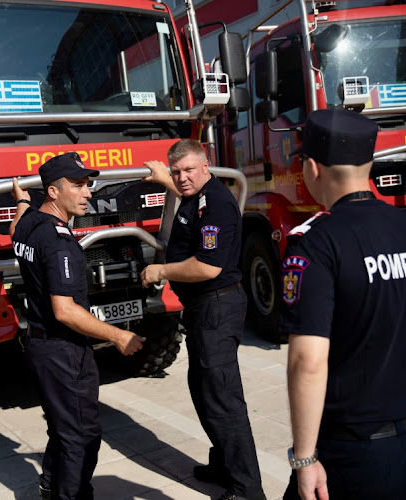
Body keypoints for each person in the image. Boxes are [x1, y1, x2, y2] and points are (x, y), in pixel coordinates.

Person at [279, 109, 406, 500]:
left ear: (312, 168)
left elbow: (308, 362)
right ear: (367, 164)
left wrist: (304, 460)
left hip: (358, 456)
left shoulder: (317, 244)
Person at [9, 152, 145, 500]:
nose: (88, 193)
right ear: (53, 192)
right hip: (63, 351)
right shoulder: (58, 242)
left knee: (62, 426)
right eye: (78, 186)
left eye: (88, 184)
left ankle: (51, 485)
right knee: (82, 436)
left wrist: (22, 200)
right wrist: (119, 335)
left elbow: (15, 225)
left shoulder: (28, 223)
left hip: (40, 346)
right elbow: (65, 311)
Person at [141, 139, 265, 500]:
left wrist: (160, 270)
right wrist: (165, 178)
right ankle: (223, 464)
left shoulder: (218, 206)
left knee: (224, 401)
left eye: (188, 170)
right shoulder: (197, 195)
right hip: (202, 310)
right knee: (204, 392)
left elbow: (207, 266)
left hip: (217, 308)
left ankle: (247, 489)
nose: (181, 178)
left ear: (206, 167)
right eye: (176, 172)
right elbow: (188, 194)